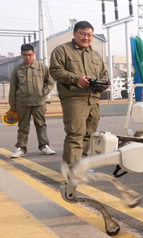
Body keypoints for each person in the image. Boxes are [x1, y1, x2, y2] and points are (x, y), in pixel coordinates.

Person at [49, 20, 110, 165]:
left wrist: (103, 83)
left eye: (89, 35)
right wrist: (76, 79)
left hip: (93, 98)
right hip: (74, 98)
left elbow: (103, 74)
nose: (86, 38)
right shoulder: (62, 50)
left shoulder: (95, 55)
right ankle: (71, 169)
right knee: (75, 134)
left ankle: (81, 166)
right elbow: (55, 71)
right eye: (82, 33)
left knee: (90, 135)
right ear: (74, 33)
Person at [9, 44, 55, 158]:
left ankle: (44, 146)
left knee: (41, 124)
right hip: (22, 103)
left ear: (34, 54)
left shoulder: (42, 67)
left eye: (29, 55)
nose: (27, 57)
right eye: (25, 55)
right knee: (23, 126)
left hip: (38, 102)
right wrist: (12, 106)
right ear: (21, 55)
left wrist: (43, 92)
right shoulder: (17, 70)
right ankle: (21, 148)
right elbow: (13, 89)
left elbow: (50, 82)